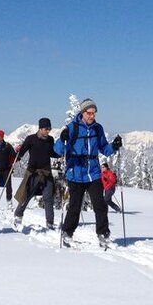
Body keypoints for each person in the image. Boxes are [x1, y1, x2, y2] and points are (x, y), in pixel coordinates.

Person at [55, 98, 122, 246]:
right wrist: (62, 139)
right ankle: (67, 232)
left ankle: (103, 234)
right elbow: (58, 150)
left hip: (93, 172)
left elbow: (104, 148)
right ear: (83, 112)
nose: (92, 116)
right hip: (76, 172)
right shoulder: (72, 128)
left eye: (94, 113)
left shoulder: (98, 128)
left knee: (100, 205)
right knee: (75, 206)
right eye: (89, 113)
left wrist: (115, 146)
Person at [12, 118, 61, 229]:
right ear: (40, 128)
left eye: (49, 129)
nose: (47, 131)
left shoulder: (50, 140)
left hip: (46, 172)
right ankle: (18, 215)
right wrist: (17, 153)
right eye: (45, 129)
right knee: (27, 195)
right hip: (33, 172)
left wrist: (60, 154)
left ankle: (50, 222)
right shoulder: (31, 139)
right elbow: (22, 152)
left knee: (48, 197)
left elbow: (51, 153)